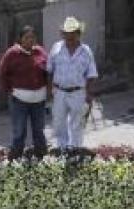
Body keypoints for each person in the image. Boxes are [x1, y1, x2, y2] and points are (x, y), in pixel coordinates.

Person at [46, 17, 98, 153]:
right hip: (59, 91)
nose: (69, 36)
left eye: (73, 32)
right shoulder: (56, 48)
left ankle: (75, 149)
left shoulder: (86, 51)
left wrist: (89, 95)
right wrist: (49, 91)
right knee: (59, 123)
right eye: (66, 33)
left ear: (78, 33)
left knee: (78, 123)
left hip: (78, 92)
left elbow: (91, 74)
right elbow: (50, 70)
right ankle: (63, 149)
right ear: (62, 34)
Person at [0, 26, 48, 160]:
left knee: (39, 130)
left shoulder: (40, 52)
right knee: (19, 131)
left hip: (39, 101)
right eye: (26, 37)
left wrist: (48, 91)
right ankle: (16, 157)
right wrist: (9, 90)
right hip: (19, 101)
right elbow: (2, 73)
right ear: (20, 39)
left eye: (32, 37)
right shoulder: (12, 53)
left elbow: (48, 71)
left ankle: (41, 155)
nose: (30, 40)